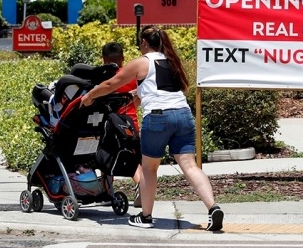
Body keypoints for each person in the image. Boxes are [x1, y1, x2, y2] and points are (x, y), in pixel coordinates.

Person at [82, 26, 224, 231]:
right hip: (183, 114)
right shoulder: (171, 62)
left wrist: (90, 96)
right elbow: (160, 90)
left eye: (141, 43)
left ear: (145, 43)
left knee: (149, 168)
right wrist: (138, 95)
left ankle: (146, 216)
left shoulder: (142, 62)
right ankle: (213, 207)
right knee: (190, 166)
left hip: (158, 118)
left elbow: (111, 83)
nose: (140, 46)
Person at [101, 41, 142, 202]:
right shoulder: (130, 76)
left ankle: (107, 192)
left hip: (109, 126)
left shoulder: (104, 77)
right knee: (133, 161)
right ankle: (141, 186)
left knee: (105, 158)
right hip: (131, 124)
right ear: (123, 58)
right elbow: (138, 100)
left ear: (103, 59)